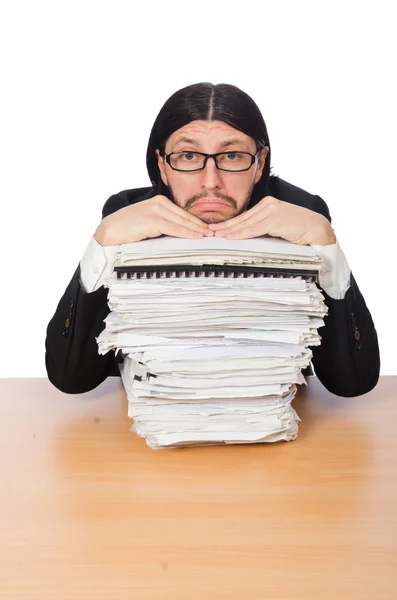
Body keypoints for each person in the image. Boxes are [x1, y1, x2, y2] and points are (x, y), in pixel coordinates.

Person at [45, 82, 380, 397]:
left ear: (259, 163)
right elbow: (72, 379)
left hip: (268, 417)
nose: (211, 182)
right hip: (157, 418)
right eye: (188, 156)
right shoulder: (126, 215)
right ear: (162, 165)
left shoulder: (304, 214)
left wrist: (328, 247)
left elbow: (351, 384)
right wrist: (101, 245)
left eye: (232, 155)